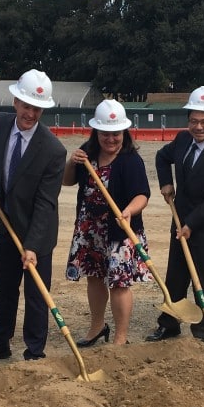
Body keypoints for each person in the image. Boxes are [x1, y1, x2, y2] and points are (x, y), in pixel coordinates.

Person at [0, 69, 67, 363]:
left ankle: (35, 351)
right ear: (15, 102)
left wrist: (33, 246)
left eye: (37, 108)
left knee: (37, 296)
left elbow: (45, 203)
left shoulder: (53, 150)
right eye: (26, 106)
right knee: (6, 290)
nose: (31, 113)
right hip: (6, 225)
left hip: (38, 231)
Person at [146, 86, 204, 342]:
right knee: (175, 279)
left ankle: (203, 331)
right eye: (194, 121)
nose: (199, 127)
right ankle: (169, 324)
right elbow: (162, 158)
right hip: (179, 220)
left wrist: (192, 225)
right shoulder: (183, 140)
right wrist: (165, 183)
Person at [64, 99, 151, 347]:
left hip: (119, 229)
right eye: (105, 134)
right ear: (96, 132)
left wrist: (129, 211)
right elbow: (67, 181)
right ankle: (97, 327)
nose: (111, 139)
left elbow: (142, 195)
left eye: (116, 134)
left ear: (124, 132)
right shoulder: (87, 153)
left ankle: (121, 337)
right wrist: (72, 162)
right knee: (94, 277)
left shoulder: (130, 160)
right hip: (90, 229)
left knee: (119, 283)